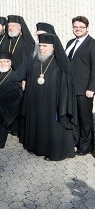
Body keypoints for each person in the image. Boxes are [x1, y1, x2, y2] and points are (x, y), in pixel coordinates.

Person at [21, 33, 77, 161]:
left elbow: (65, 84)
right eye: (40, 45)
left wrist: (60, 102)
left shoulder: (60, 62)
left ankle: (55, 153)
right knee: (39, 123)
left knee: (52, 127)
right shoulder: (36, 60)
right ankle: (39, 148)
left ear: (53, 47)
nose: (41, 48)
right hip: (37, 99)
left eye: (45, 46)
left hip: (53, 101)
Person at [66, 16, 95, 156]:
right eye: (75, 27)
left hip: (85, 89)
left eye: (81, 27)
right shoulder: (70, 43)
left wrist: (92, 88)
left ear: (87, 28)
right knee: (74, 117)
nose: (77, 29)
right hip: (71, 88)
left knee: (85, 119)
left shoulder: (92, 44)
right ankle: (76, 141)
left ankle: (86, 146)